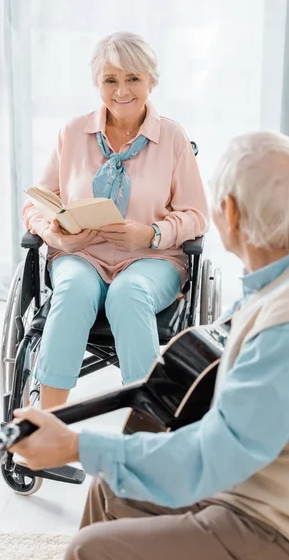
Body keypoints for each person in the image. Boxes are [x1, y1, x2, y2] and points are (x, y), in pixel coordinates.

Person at [12, 131, 289, 560]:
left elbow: (214, 457)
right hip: (264, 487)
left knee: (89, 557)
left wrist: (76, 447)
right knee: (108, 490)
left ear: (228, 212)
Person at [22, 31, 209, 410]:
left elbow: (196, 215)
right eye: (111, 80)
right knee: (73, 290)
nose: (122, 90)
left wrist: (152, 234)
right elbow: (35, 204)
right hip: (81, 256)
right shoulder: (72, 133)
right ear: (97, 84)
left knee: (128, 294)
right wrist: (56, 235)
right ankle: (48, 423)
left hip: (151, 260)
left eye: (133, 79)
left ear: (151, 81)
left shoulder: (172, 137)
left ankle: (149, 421)